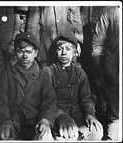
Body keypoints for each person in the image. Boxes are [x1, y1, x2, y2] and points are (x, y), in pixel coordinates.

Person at [0, 32, 57, 140]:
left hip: (36, 121)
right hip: (12, 120)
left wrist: (45, 120)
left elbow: (50, 101)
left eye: (29, 52)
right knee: (3, 137)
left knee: (45, 138)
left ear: (36, 53)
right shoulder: (7, 75)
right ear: (16, 52)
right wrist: (4, 120)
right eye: (21, 52)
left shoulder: (43, 76)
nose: (25, 56)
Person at [43, 32, 103, 141]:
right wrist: (60, 116)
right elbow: (47, 102)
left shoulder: (79, 72)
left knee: (96, 131)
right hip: (54, 114)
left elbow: (86, 99)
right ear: (55, 52)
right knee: (66, 135)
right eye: (60, 49)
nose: (64, 52)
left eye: (68, 49)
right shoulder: (48, 72)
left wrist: (90, 114)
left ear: (74, 52)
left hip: (76, 113)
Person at [91, 6, 120, 140]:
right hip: (114, 67)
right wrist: (98, 70)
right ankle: (112, 136)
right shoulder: (111, 11)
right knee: (115, 112)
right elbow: (97, 43)